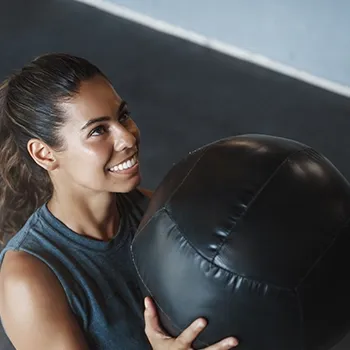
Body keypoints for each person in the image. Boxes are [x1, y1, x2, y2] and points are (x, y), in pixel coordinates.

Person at [0, 53, 239, 350]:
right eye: (98, 130)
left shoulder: (158, 215)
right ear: (44, 154)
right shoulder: (28, 277)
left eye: (123, 116)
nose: (127, 137)